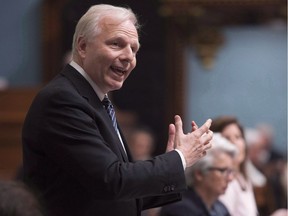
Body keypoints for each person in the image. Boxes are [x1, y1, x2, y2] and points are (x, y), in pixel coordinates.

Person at [22, 4, 213, 216]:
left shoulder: (97, 101)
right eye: (116, 44)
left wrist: (173, 164)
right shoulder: (63, 99)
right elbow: (112, 180)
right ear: (83, 46)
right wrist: (178, 158)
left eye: (134, 49)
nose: (129, 57)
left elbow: (124, 194)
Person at [160, 133, 237, 216]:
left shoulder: (221, 209)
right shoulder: (179, 210)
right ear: (199, 174)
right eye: (222, 171)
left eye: (230, 171)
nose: (230, 178)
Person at [210, 116, 258, 216]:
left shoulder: (242, 176)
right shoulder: (224, 183)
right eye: (227, 138)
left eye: (238, 137)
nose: (234, 143)